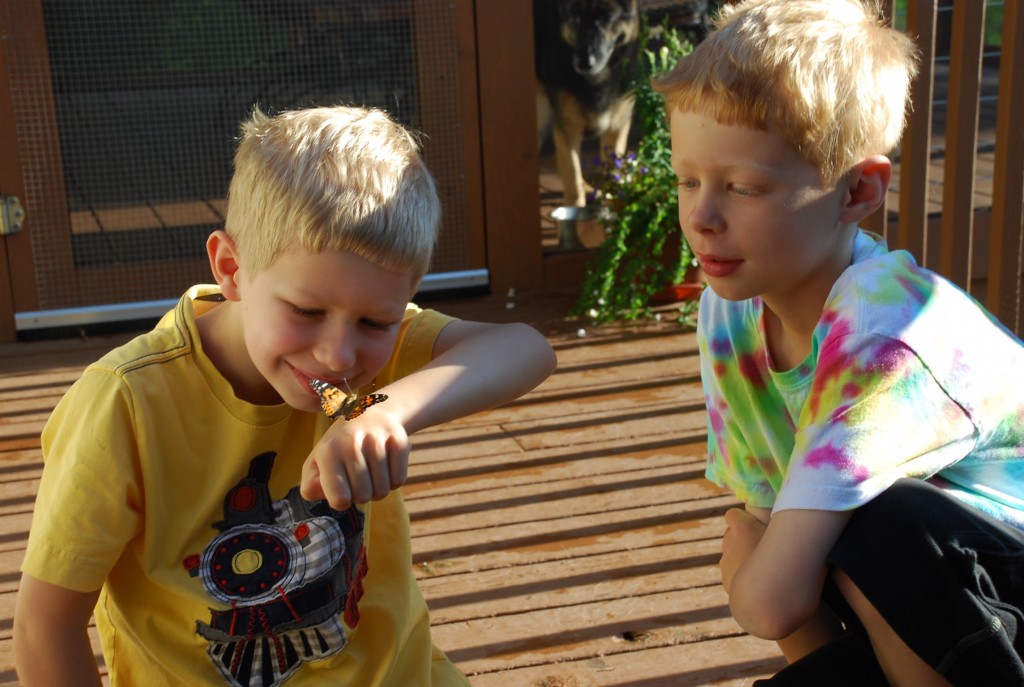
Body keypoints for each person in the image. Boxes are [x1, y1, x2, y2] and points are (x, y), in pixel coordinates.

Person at [13, 105, 557, 686]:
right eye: (306, 311)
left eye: (376, 323)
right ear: (232, 269)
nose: (338, 356)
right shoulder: (124, 404)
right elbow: (46, 627)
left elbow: (525, 348)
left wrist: (385, 410)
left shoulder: (362, 371)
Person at [655, 1, 1024, 685]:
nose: (701, 217)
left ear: (857, 190)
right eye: (688, 180)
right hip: (931, 613)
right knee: (805, 529)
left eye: (741, 187)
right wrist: (756, 560)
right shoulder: (730, 314)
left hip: (1001, 588)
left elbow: (770, 596)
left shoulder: (886, 332)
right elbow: (764, 530)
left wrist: (748, 571)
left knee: (874, 520)